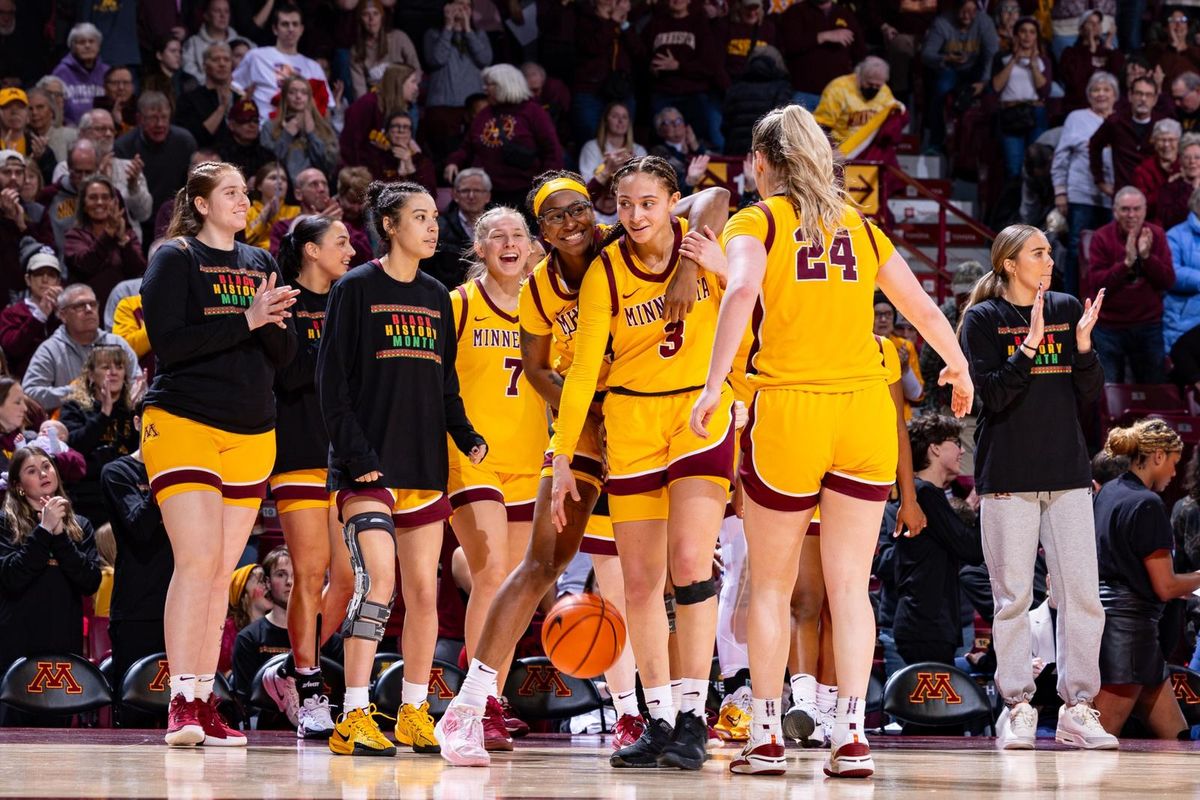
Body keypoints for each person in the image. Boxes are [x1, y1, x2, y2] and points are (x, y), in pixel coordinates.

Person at [689, 104, 972, 779]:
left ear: (761, 162)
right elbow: (922, 307)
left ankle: (765, 737)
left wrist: (712, 385)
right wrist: (958, 365)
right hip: (864, 412)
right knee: (850, 589)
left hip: (793, 408)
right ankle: (851, 738)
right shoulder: (860, 225)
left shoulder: (756, 220)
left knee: (772, 586)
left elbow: (743, 291)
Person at [435, 170, 728, 767]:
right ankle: (467, 706)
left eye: (578, 210)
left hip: (645, 417)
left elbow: (714, 197)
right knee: (542, 560)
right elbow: (537, 368)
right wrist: (578, 423)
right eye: (555, 216)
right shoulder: (541, 288)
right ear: (541, 232)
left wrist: (690, 263)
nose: (571, 223)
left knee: (655, 578)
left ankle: (660, 713)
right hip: (586, 423)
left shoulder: (625, 237)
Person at [527, 156, 733, 772]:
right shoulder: (606, 270)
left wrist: (693, 265)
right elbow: (581, 369)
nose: (636, 215)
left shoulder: (703, 243)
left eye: (648, 202)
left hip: (698, 413)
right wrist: (562, 455)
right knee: (639, 584)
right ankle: (660, 718)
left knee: (690, 564)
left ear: (672, 200)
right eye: (625, 204)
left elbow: (720, 196)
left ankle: (695, 715)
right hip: (630, 421)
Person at [317, 180, 486, 756]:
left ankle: (414, 710)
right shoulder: (355, 288)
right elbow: (331, 385)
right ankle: (352, 714)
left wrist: (465, 435)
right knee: (378, 585)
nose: (433, 227)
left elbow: (445, 383)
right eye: (419, 217)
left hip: (424, 465)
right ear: (389, 226)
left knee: (423, 593)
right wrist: (358, 458)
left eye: (434, 217)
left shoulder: (438, 295)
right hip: (367, 468)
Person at [140, 160, 299, 747]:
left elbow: (283, 355)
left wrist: (272, 320)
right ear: (202, 204)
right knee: (197, 562)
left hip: (253, 431)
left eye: (245, 192)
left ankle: (204, 700)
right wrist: (248, 318)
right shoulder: (175, 257)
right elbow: (171, 344)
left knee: (217, 575)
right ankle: (180, 701)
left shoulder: (260, 262)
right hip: (183, 421)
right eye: (230, 192)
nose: (243, 200)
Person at [958, 223, 1117, 751]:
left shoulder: (1067, 309)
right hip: (1008, 476)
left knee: (1083, 597)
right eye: (1038, 253)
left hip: (1068, 474)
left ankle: (1078, 707)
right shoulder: (983, 319)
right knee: (1013, 599)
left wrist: (1084, 346)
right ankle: (1017, 706)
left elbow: (1089, 393)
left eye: (1050, 252)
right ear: (1009, 264)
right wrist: (1029, 344)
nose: (1050, 261)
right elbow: (991, 397)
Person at [444, 207, 550, 750]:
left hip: (531, 459)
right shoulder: (459, 305)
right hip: (471, 457)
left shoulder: (548, 308)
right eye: (497, 236)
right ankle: (477, 703)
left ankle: (492, 696)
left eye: (518, 235)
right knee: (490, 575)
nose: (509, 243)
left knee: (516, 584)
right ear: (480, 249)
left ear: (532, 248)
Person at [265, 215, 355, 739]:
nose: (351, 250)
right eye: (340, 242)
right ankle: (309, 686)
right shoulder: (284, 302)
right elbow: (290, 373)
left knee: (348, 578)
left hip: (344, 454)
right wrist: (338, 353)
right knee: (311, 570)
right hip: (297, 448)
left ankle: (290, 668)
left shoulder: (351, 300)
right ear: (311, 250)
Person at [1089, 420, 1198, 741]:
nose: (1175, 473)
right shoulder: (1148, 503)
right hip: (1128, 635)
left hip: (1119, 628)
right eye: (1174, 463)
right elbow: (1165, 587)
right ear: (1158, 456)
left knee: (1176, 739)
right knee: (1096, 741)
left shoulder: (1108, 492)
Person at [0, 446, 100, 725]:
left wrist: (61, 537)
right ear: (19, 486)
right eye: (32, 471)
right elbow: (11, 577)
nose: (43, 473)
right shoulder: (5, 523)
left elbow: (90, 581)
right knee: (14, 730)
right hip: (17, 643)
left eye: (46, 466)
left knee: (59, 730)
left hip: (63, 643)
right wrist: (44, 531)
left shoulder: (80, 525)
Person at [101, 413, 174, 725]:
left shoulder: (185, 473)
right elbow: (140, 528)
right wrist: (162, 477)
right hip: (137, 610)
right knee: (134, 714)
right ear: (136, 422)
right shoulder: (117, 472)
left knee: (179, 710)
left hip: (180, 608)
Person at [894, 415, 983, 667]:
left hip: (928, 626)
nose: (962, 451)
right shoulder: (924, 494)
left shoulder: (925, 493)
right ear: (934, 448)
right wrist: (986, 503)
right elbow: (971, 547)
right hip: (925, 627)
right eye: (956, 443)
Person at [1081, 186, 1172, 384]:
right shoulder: (1101, 237)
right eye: (1125, 209)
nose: (1131, 215)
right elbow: (1097, 286)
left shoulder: (1156, 235)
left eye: (1136, 209)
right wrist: (1126, 264)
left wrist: (1147, 258)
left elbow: (1167, 281)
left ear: (1145, 210)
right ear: (1115, 211)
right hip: (1109, 326)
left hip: (1148, 324)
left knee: (1155, 389)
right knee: (1107, 389)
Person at [445, 64, 564, 212]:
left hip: (526, 192)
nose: (484, 88)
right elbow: (467, 147)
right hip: (490, 194)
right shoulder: (484, 114)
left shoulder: (533, 112)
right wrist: (454, 162)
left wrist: (543, 186)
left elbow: (552, 151)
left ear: (506, 85)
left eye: (490, 84)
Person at [23, 284, 140, 412]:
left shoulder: (117, 343)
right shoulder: (50, 350)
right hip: (69, 422)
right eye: (79, 306)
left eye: (93, 304)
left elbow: (138, 382)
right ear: (63, 315)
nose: (89, 309)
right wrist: (77, 392)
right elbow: (29, 393)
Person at [1053, 71, 1118, 297]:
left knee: (1110, 251)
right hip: (1081, 194)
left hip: (1113, 198)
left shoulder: (1120, 119)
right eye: (1096, 90)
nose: (1101, 94)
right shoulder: (1076, 118)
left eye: (1106, 90)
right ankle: (1072, 300)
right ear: (1089, 95)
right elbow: (1061, 157)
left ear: (1115, 95)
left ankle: (1105, 301)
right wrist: (1060, 192)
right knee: (1076, 249)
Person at [59, 344, 139, 528]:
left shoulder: (131, 409)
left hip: (126, 490)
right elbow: (75, 448)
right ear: (91, 375)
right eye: (106, 367)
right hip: (87, 495)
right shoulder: (74, 407)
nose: (114, 372)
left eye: (119, 366)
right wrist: (104, 414)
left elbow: (139, 453)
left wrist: (139, 416)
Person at [644, 0, 728, 152]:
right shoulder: (655, 23)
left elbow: (709, 65)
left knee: (705, 140)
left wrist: (678, 65)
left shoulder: (700, 24)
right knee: (659, 145)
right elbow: (642, 56)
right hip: (663, 91)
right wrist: (650, 67)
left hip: (694, 93)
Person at [113, 93, 199, 239]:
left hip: (176, 221)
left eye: (164, 117)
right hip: (137, 224)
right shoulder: (124, 147)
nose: (160, 124)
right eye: (153, 118)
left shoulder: (185, 142)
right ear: (139, 119)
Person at [231, 3, 333, 124]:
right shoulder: (256, 56)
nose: (291, 29)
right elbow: (234, 88)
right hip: (263, 127)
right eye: (285, 24)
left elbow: (326, 109)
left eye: (295, 24)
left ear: (301, 30)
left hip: (302, 129)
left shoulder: (314, 67)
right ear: (275, 29)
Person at [920, 0, 999, 152]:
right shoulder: (942, 22)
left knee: (991, 91)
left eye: (971, 11)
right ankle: (935, 141)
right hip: (949, 67)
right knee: (941, 90)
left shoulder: (984, 22)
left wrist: (984, 82)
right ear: (955, 9)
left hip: (977, 68)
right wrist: (946, 57)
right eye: (963, 11)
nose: (967, 15)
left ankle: (989, 144)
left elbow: (992, 55)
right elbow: (927, 54)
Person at [64, 174, 146, 311]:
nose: (99, 202)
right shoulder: (74, 236)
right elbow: (85, 265)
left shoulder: (127, 235)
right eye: (93, 197)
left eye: (105, 197)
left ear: (115, 202)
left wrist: (123, 241)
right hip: (87, 311)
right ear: (83, 204)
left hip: (123, 311)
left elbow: (139, 272)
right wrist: (108, 234)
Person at [422, 0, 492, 158]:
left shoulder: (479, 34)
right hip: (442, 107)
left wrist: (468, 30)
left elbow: (485, 59)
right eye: (458, 3)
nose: (462, 9)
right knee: (444, 156)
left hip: (473, 106)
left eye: (467, 5)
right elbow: (436, 59)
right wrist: (448, 27)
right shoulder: (433, 34)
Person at [990, 17, 1051, 181]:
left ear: (1036, 37)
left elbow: (1045, 91)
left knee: (1036, 165)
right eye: (1023, 32)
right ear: (1016, 35)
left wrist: (1033, 65)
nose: (1027, 36)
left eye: (1032, 32)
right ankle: (1014, 198)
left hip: (1036, 113)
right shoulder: (1001, 58)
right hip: (1011, 113)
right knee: (1013, 168)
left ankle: (1032, 198)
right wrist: (1013, 60)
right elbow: (996, 87)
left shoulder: (1043, 60)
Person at [812, 56, 907, 162]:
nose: (873, 88)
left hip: (869, 152)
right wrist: (829, 151)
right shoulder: (838, 89)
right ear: (859, 77)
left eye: (878, 86)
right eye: (869, 84)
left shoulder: (884, 91)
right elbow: (822, 126)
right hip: (840, 151)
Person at [1090, 76, 1164, 204]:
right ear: (1130, 96)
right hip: (1123, 194)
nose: (1143, 99)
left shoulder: (1161, 124)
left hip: (1154, 195)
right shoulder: (1115, 122)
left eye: (1148, 95)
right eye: (1139, 94)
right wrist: (1100, 181)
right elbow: (1094, 145)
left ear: (1155, 99)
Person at [339, 64, 421, 173]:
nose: (416, 88)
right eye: (413, 82)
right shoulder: (367, 104)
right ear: (399, 83)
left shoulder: (402, 110)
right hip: (360, 174)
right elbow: (349, 145)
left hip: (386, 173)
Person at [261, 75, 338, 187]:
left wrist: (311, 135)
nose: (298, 96)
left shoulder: (324, 128)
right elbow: (268, 165)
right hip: (283, 189)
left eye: (304, 92)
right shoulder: (269, 126)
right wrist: (286, 135)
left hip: (318, 188)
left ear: (310, 97)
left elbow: (328, 166)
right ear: (284, 96)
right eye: (292, 92)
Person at [421, 168, 492, 290]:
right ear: (454, 194)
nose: (471, 196)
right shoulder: (437, 227)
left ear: (488, 196)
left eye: (477, 190)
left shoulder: (498, 228)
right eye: (465, 191)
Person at [0, 241, 63, 378]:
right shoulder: (11, 313)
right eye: (39, 274)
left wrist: (62, 315)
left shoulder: (65, 311)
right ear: (28, 279)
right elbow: (12, 349)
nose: (45, 280)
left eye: (51, 275)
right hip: (24, 382)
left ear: (58, 282)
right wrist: (38, 316)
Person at [722, 45, 795, 157]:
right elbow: (783, 126)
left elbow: (725, 125)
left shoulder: (736, 87)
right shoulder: (782, 88)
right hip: (767, 154)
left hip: (735, 151)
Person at [0, 150, 54, 297]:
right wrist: (7, 220)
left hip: (29, 293)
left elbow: (48, 253)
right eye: (6, 172)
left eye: (18, 173)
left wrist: (23, 227)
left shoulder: (37, 212)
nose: (13, 178)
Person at [349, 0, 419, 100]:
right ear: (360, 19)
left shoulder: (399, 38)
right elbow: (359, 90)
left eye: (376, 13)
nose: (371, 19)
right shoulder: (356, 50)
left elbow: (416, 69)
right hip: (377, 101)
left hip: (404, 97)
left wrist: (407, 93)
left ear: (382, 17)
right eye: (366, 14)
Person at [175, 43, 240, 149]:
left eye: (226, 60)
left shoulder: (239, 98)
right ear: (204, 66)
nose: (222, 64)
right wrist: (222, 108)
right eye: (216, 60)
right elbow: (195, 138)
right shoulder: (189, 100)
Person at [1059, 11, 1124, 115]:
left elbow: (1118, 73)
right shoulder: (1070, 53)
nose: (1095, 26)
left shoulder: (1108, 52)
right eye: (1090, 23)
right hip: (1079, 107)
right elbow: (1075, 80)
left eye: (1098, 23)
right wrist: (1090, 50)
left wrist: (1108, 43)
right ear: (1081, 30)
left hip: (1107, 108)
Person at [267, 169, 341, 256]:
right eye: (314, 184)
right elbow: (280, 259)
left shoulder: (341, 223)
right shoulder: (282, 228)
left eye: (324, 184)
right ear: (298, 194)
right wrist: (315, 228)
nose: (322, 189)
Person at [579, 103, 647, 190]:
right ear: (606, 121)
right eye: (615, 116)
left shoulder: (639, 150)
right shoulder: (591, 147)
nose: (620, 121)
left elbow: (645, 183)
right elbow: (586, 184)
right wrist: (607, 168)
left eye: (624, 117)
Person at [51, 23, 108, 125]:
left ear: (98, 46)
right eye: (81, 42)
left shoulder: (107, 72)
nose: (87, 46)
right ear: (72, 47)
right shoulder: (61, 72)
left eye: (91, 41)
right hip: (70, 129)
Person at [0, 89, 55, 187]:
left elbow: (51, 184)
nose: (14, 112)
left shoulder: (39, 148)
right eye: (7, 107)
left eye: (20, 107)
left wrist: (41, 160)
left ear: (27, 115)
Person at [1132, 119, 1181, 222]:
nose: (1166, 145)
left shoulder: (1188, 166)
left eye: (1171, 140)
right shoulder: (1143, 170)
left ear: (1179, 142)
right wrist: (1168, 186)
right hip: (1154, 224)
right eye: (1162, 140)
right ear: (1154, 142)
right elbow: (1142, 204)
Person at [215, 98, 276, 180]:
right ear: (231, 125)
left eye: (255, 121)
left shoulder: (267, 156)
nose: (252, 125)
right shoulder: (218, 155)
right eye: (245, 120)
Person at [182, 0, 240, 85]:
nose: (223, 15)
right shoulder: (192, 44)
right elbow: (189, 72)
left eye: (226, 11)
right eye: (217, 11)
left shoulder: (243, 44)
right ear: (206, 15)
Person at [244, 163, 299, 250]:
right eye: (273, 178)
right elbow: (243, 243)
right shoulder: (247, 212)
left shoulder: (297, 211)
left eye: (284, 179)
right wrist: (263, 219)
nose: (280, 182)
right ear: (259, 186)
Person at [142, 34, 197, 111]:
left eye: (180, 51)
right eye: (173, 51)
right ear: (159, 55)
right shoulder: (150, 82)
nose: (178, 55)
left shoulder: (188, 80)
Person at [1156, 134, 1200, 231]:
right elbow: (1168, 219)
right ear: (1180, 161)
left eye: (1197, 157)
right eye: (1187, 157)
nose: (1192, 161)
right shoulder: (1170, 187)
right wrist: (1191, 189)